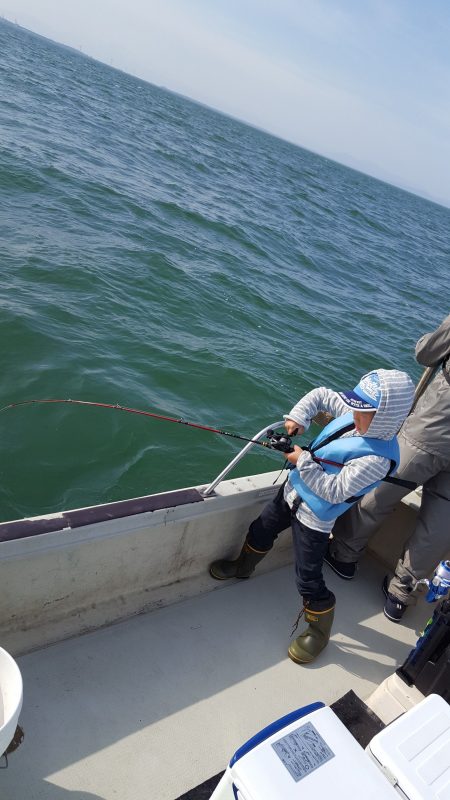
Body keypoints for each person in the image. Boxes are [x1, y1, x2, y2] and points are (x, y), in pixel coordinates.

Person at [209, 369, 415, 664]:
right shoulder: (356, 413)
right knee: (260, 530)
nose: (354, 412)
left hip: (314, 518)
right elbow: (320, 395)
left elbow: (333, 491)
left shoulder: (377, 459)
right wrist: (298, 418)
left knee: (307, 578)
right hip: (291, 492)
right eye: (354, 405)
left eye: (364, 411)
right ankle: (243, 566)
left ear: (385, 416)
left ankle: (319, 629)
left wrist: (300, 459)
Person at [325, 314, 450, 622]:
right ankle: (400, 595)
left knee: (381, 490)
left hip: (429, 433)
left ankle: (343, 555)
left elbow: (426, 353)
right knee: (440, 524)